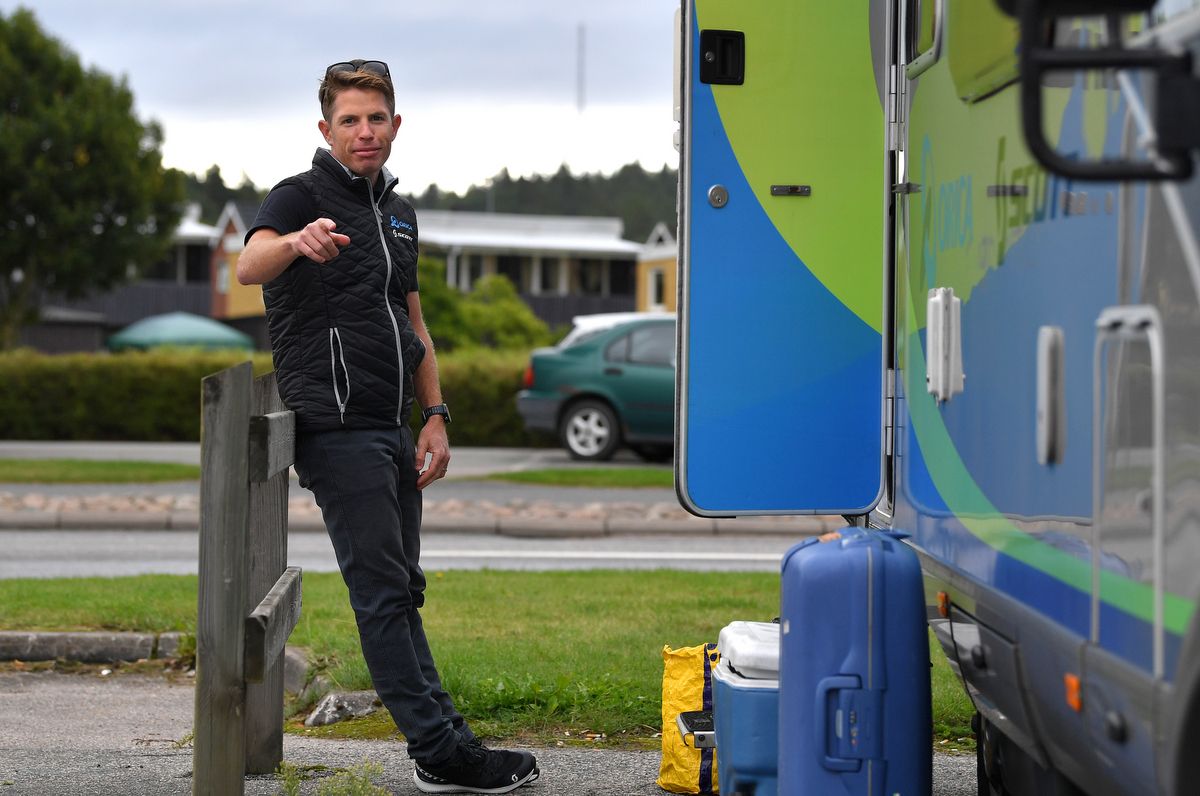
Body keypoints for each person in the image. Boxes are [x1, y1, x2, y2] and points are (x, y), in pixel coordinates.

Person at [237, 59, 539, 794]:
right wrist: (295, 243)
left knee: (405, 589)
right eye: (350, 120)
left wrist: (434, 415)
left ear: (395, 125)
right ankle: (441, 752)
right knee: (380, 594)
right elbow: (248, 266)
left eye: (376, 118)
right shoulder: (299, 195)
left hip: (393, 426)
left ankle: (442, 739)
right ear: (326, 129)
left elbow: (414, 321)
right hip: (336, 430)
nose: (364, 131)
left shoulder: (398, 212)